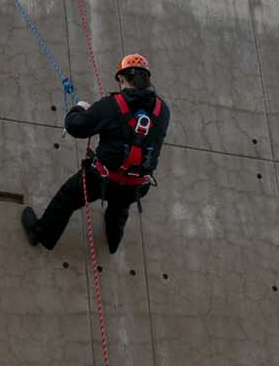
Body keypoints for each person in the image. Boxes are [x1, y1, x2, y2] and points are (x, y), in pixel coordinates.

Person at [21, 54, 169, 255]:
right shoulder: (163, 110)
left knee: (68, 197)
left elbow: (76, 127)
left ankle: (40, 234)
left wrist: (78, 109)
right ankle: (113, 240)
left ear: (122, 79)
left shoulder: (112, 105)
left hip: (102, 179)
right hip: (137, 185)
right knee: (119, 209)